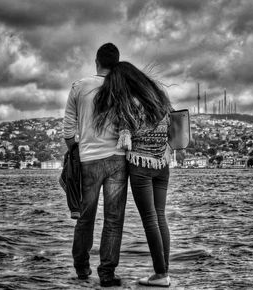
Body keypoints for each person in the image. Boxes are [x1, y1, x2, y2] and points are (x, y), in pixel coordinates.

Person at [93, 61, 173, 287]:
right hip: (163, 163)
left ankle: (160, 275)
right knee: (160, 216)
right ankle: (164, 272)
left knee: (150, 219)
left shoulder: (128, 103)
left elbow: (124, 139)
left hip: (141, 165)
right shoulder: (158, 95)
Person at [63, 43, 128, 287]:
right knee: (114, 219)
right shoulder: (122, 87)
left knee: (85, 217)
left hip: (88, 160)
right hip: (117, 161)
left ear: (96, 62)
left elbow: (68, 129)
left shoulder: (79, 86)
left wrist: (74, 149)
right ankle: (107, 274)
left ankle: (81, 271)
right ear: (117, 64)